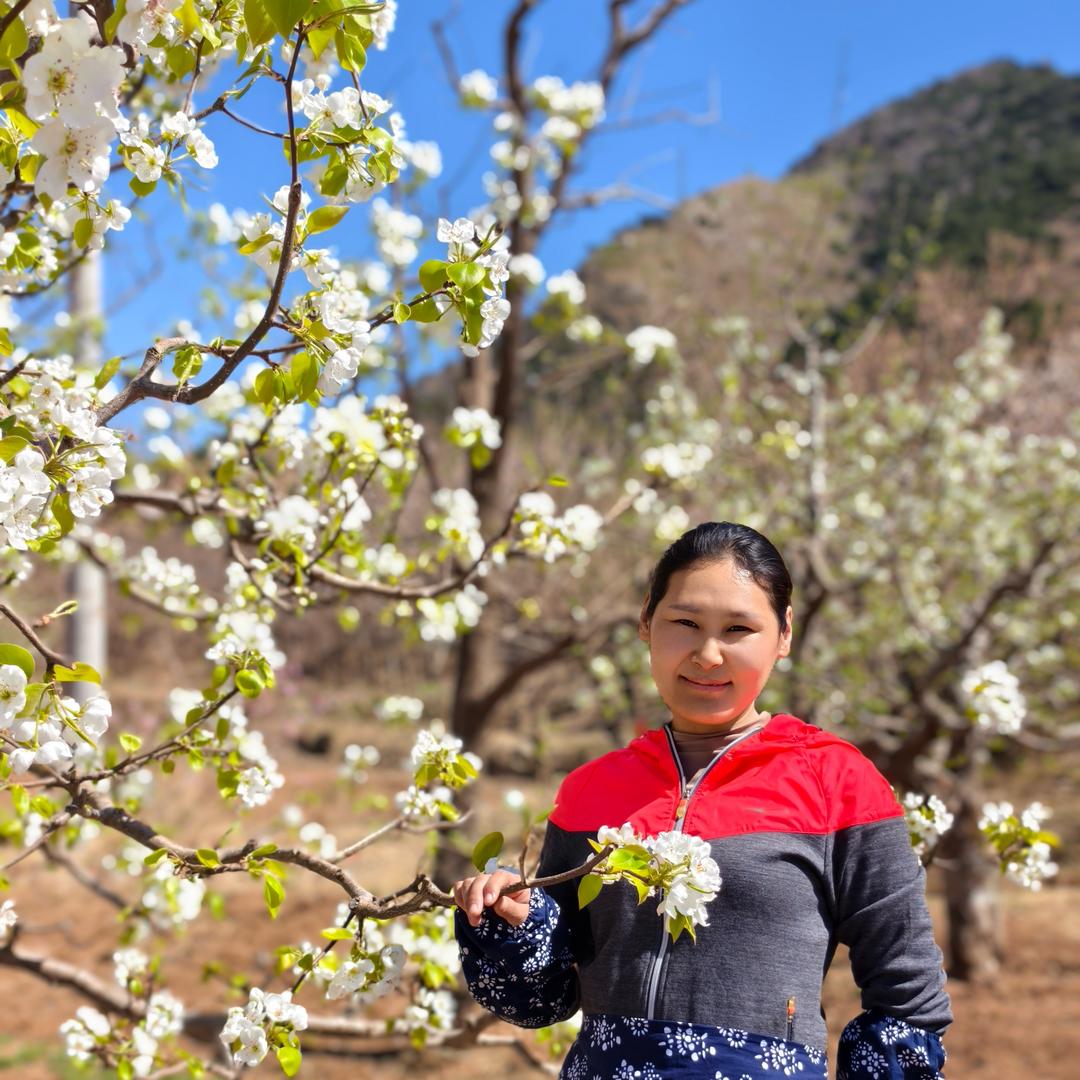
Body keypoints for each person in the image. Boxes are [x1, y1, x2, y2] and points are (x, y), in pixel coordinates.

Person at [453, 521, 951, 1079]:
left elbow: (908, 999)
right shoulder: (590, 790)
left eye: (738, 629)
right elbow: (541, 1000)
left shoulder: (838, 781)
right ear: (646, 620)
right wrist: (507, 922)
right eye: (685, 623)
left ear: (784, 634)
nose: (708, 655)